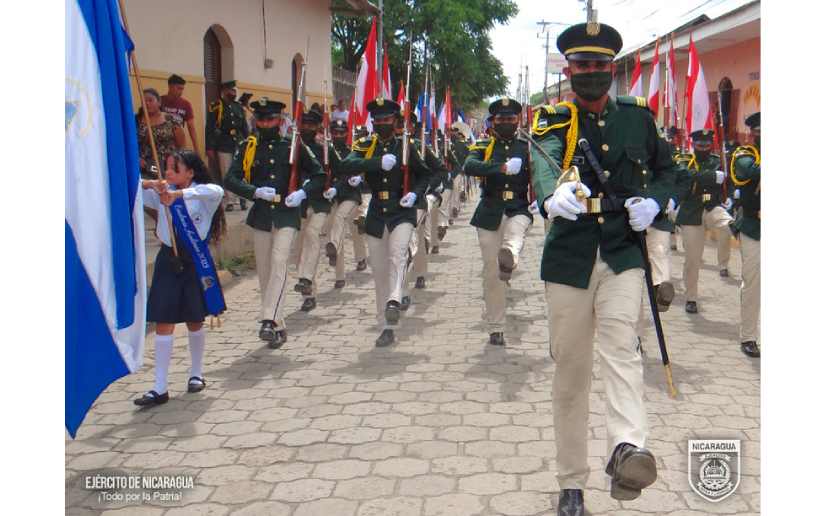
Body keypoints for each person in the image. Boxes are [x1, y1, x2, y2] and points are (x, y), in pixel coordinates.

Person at [530, 22, 676, 515]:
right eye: (582, 66)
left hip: (621, 251)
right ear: (568, 70)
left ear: (612, 70)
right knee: (571, 374)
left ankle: (625, 449)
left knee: (623, 350)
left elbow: (666, 169)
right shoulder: (551, 119)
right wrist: (553, 195)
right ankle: (571, 481)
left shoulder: (638, 118)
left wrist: (654, 203)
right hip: (569, 258)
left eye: (599, 66)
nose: (591, 74)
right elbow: (545, 165)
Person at [223, 97, 325, 347]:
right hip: (261, 215)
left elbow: (319, 174)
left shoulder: (294, 144)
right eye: (261, 119)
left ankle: (268, 319)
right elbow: (231, 178)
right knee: (265, 272)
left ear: (280, 120)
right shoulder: (248, 146)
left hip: (286, 213)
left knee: (280, 262)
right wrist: (253, 192)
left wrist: (303, 192)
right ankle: (277, 325)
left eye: (270, 119)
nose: (265, 123)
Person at [134, 151, 225, 407]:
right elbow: (131, 186)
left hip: (194, 258)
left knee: (195, 319)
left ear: (190, 173)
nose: (169, 173)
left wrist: (178, 195)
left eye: (175, 168)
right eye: (167, 168)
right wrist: (150, 184)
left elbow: (215, 190)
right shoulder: (161, 190)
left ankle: (196, 373)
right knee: (164, 320)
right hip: (168, 258)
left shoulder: (202, 194)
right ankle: (159, 387)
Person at [338, 98, 432, 347]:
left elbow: (425, 173)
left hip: (402, 210)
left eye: (386, 119)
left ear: (395, 121)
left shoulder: (406, 146)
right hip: (377, 212)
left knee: (398, 255)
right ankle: (386, 325)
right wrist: (374, 163)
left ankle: (394, 299)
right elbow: (344, 165)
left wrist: (416, 193)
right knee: (379, 270)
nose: (381, 124)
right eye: (377, 120)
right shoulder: (366, 145)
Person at [463, 97, 533, 347]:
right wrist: (500, 168)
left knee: (516, 234)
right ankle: (496, 326)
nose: (506, 123)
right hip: (490, 210)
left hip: (518, 207)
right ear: (493, 121)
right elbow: (469, 166)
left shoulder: (527, 146)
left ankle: (510, 255)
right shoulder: (484, 144)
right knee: (492, 273)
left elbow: (539, 173)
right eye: (501, 119)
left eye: (510, 119)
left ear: (518, 121)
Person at [675, 129, 734, 314]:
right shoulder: (684, 160)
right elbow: (684, 177)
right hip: (691, 212)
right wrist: (710, 177)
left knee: (729, 226)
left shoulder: (718, 160)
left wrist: (731, 195)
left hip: (712, 207)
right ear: (694, 145)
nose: (704, 148)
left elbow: (729, 179)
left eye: (707, 145)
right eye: (700, 145)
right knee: (693, 259)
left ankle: (723, 264)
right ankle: (691, 298)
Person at [294, 107, 334, 312]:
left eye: (311, 124)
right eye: (304, 124)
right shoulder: (293, 147)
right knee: (300, 250)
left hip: (319, 202)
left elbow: (339, 167)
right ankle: (308, 293)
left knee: (312, 235)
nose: (307, 127)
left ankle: (306, 277)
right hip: (298, 204)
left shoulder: (324, 147)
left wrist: (335, 186)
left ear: (318, 126)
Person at [730, 112, 761, 357]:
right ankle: (749, 336)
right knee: (753, 282)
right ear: (752, 133)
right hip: (754, 226)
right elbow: (749, 173)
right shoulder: (744, 155)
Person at [325, 119, 368, 288]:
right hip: (333, 197)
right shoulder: (326, 152)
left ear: (347, 134)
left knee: (355, 229)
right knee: (337, 229)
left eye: (342, 133)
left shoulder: (353, 152)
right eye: (335, 133)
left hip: (351, 195)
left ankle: (361, 257)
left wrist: (360, 178)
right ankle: (339, 276)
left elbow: (362, 170)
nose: (338, 136)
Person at [206, 80, 249, 211]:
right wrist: (209, 147)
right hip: (223, 143)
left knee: (242, 170)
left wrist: (248, 142)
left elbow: (244, 127)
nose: (233, 93)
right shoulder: (216, 106)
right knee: (226, 172)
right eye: (231, 90)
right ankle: (230, 200)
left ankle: (243, 197)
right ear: (224, 91)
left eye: (235, 91)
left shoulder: (239, 107)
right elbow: (210, 128)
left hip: (239, 143)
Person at [137, 88, 185, 179]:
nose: (147, 103)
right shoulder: (135, 121)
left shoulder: (172, 120)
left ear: (159, 102)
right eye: (144, 101)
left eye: (150, 100)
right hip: (144, 168)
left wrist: (175, 163)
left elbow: (181, 146)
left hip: (166, 168)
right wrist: (136, 158)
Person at [161, 74, 200, 155]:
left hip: (178, 146)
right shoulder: (159, 102)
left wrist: (197, 150)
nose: (181, 92)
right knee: (156, 167)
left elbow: (191, 128)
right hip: (160, 146)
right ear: (170, 86)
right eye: (178, 88)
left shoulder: (186, 104)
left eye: (182, 89)